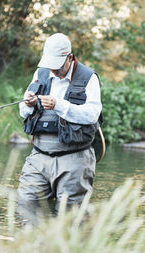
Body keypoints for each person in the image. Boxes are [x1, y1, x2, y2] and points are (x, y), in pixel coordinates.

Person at [17, 33, 102, 225]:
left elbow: (92, 114)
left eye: (57, 66)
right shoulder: (41, 73)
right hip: (38, 157)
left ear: (69, 58)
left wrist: (58, 105)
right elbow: (23, 112)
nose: (53, 71)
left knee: (70, 221)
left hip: (74, 158)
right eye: (50, 66)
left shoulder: (89, 78)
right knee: (25, 209)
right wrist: (29, 104)